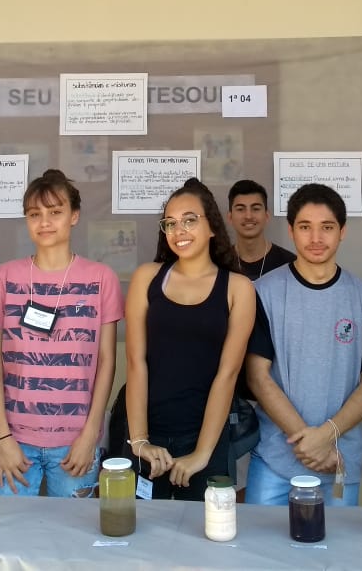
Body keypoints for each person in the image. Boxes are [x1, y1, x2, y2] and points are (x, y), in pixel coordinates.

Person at [246, 183, 362, 506]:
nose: (316, 238)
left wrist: (326, 436)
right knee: (261, 540)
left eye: (327, 227)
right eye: (305, 227)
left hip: (338, 460)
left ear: (342, 231)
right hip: (274, 461)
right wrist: (309, 443)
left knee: (336, 541)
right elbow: (258, 377)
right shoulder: (262, 293)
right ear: (291, 231)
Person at [0, 169, 123, 497]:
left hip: (76, 442)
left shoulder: (101, 278)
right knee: (7, 526)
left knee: (73, 528)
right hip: (14, 440)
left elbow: (106, 361)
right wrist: (1, 437)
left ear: (74, 216)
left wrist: (90, 435)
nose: (44, 222)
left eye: (55, 212)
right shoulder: (5, 277)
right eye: (34, 214)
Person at [125, 178, 256, 500]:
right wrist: (140, 441)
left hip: (206, 438)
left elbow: (228, 374)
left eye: (189, 220)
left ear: (212, 227)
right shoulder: (147, 277)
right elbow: (136, 363)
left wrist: (202, 453)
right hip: (148, 435)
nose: (178, 230)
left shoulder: (238, 288)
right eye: (170, 223)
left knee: (205, 528)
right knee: (140, 526)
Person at [226, 179, 295, 281]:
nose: (248, 216)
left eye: (256, 209)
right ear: (230, 217)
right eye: (240, 209)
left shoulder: (289, 264)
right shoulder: (219, 263)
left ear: (267, 216)